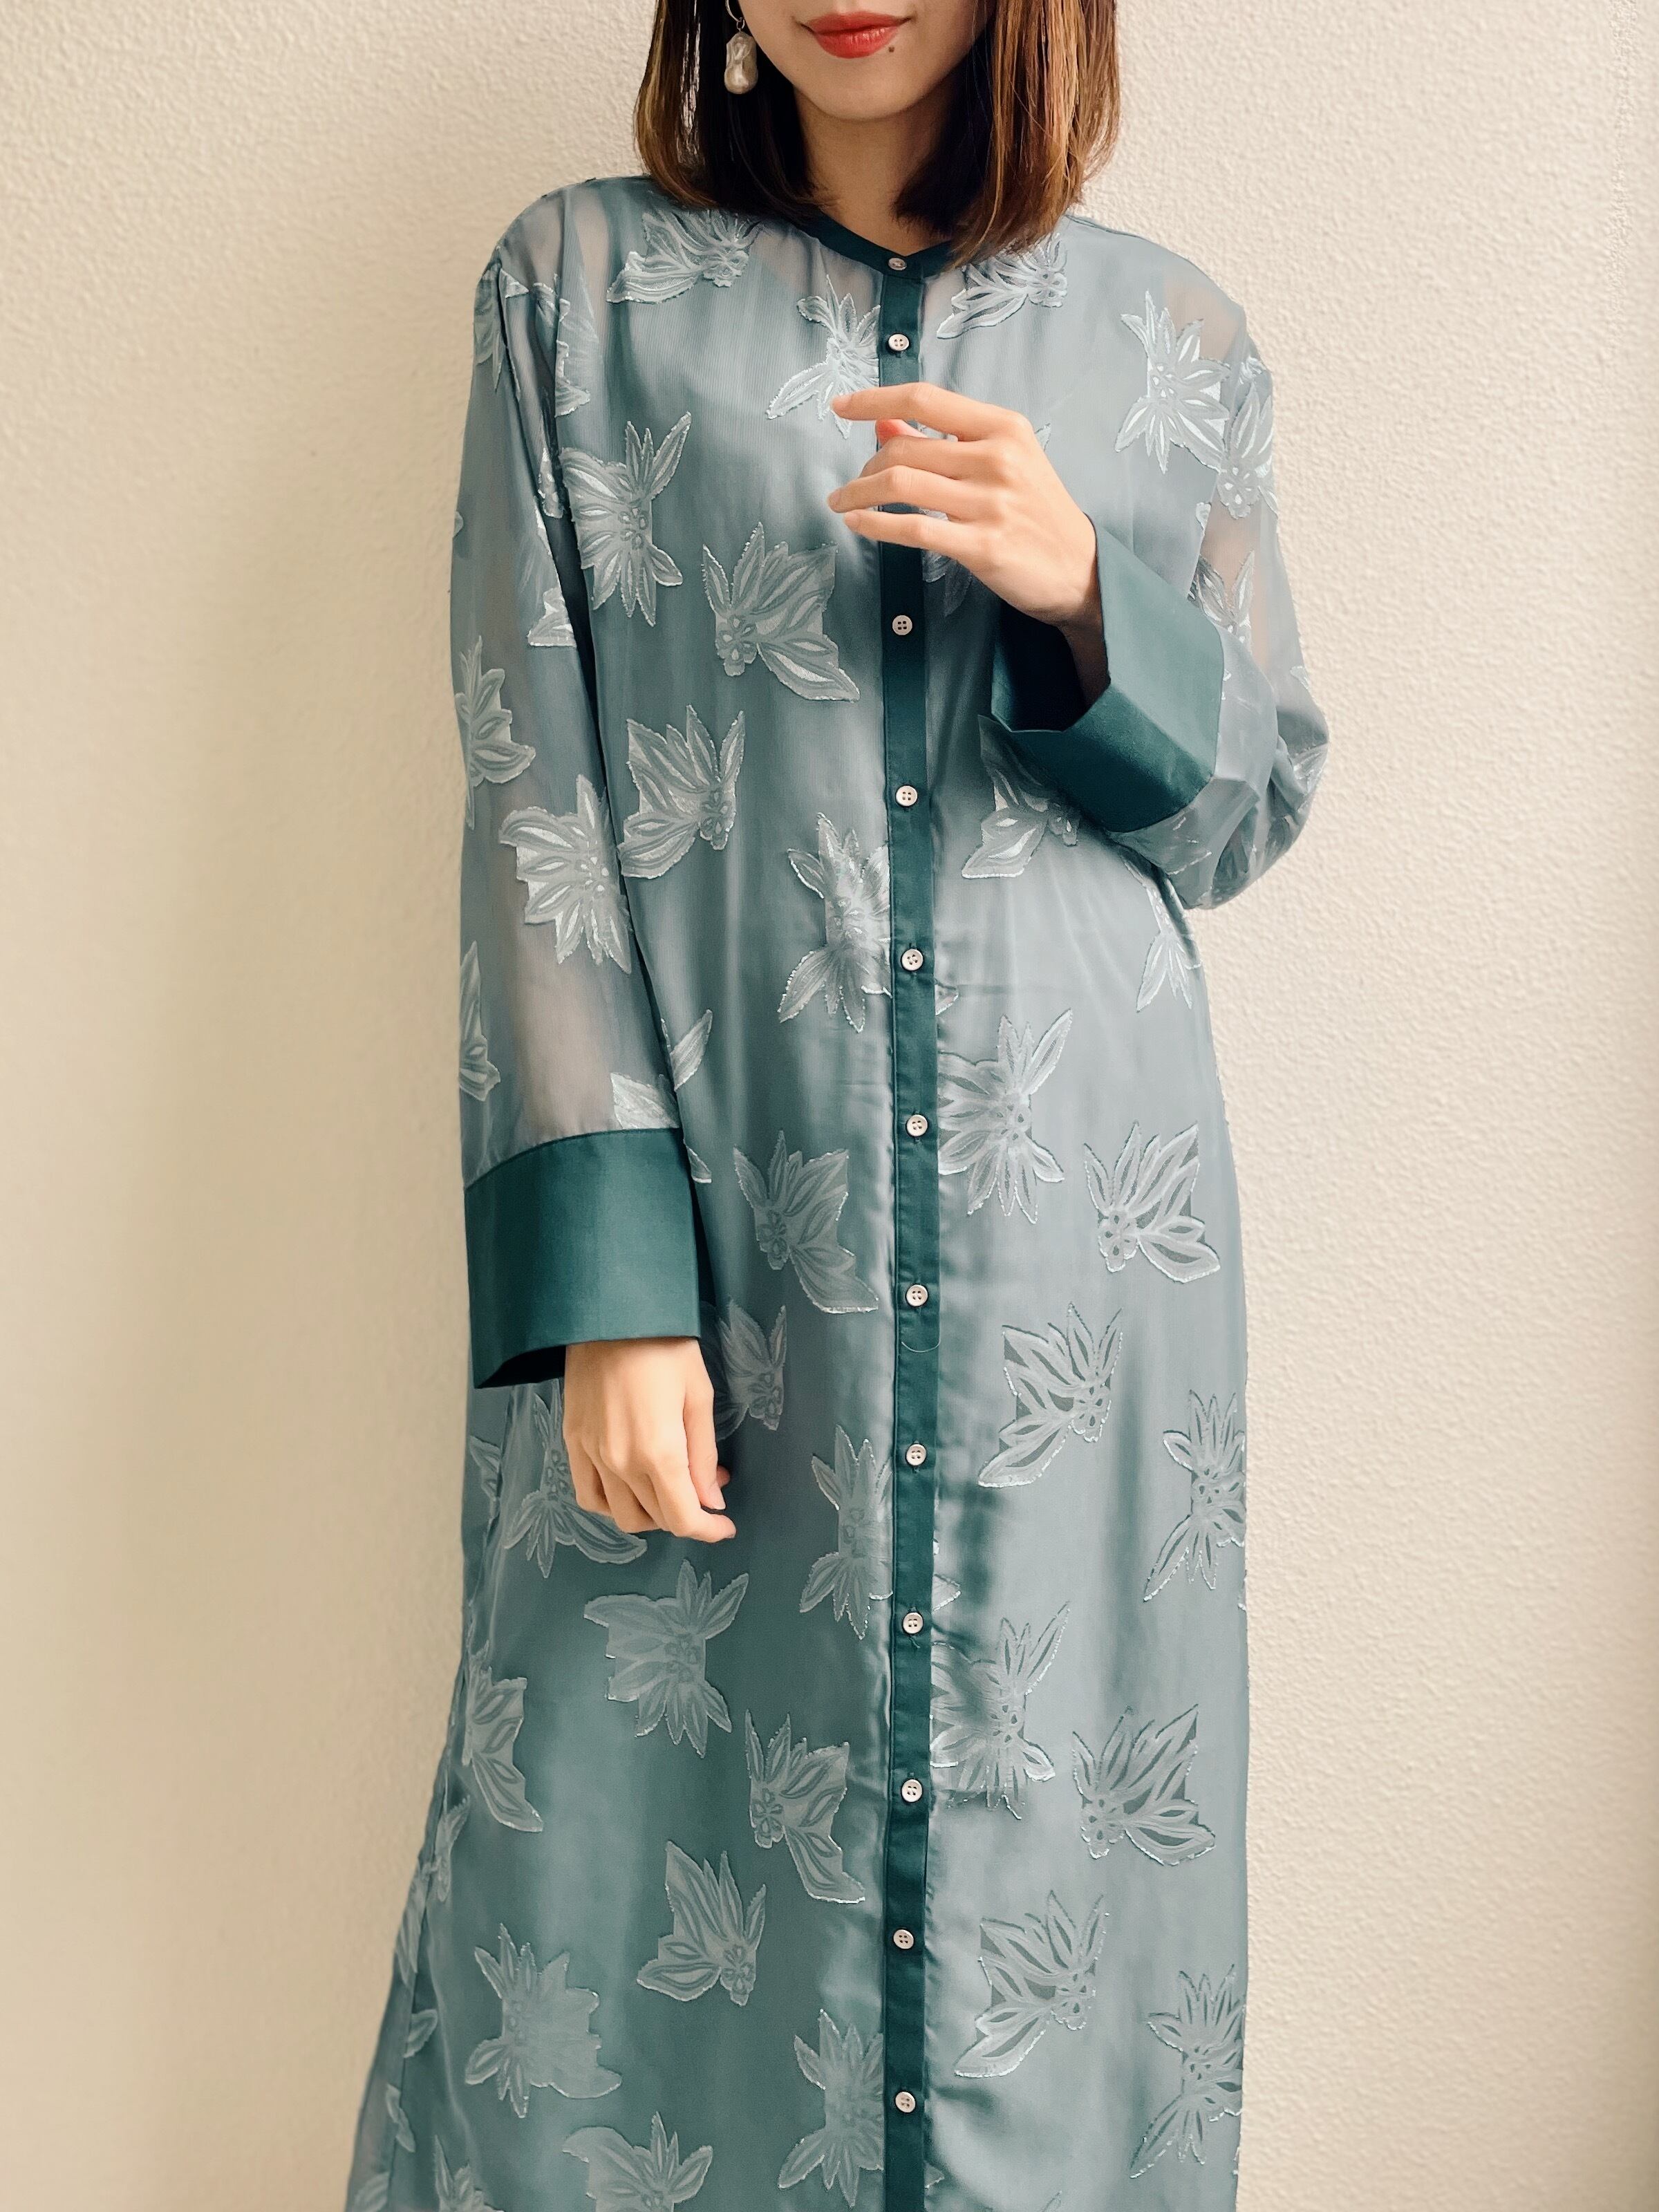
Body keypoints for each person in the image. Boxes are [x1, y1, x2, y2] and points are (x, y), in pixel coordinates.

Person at [344, 4, 1329, 2206]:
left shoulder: (1171, 336)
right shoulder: (576, 289)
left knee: (1043, 1870)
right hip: (719, 1250)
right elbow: (535, 789)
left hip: (1073, 1284)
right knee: (608, 1874)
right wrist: (613, 1290)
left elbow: (1249, 805)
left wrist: (1085, 596)